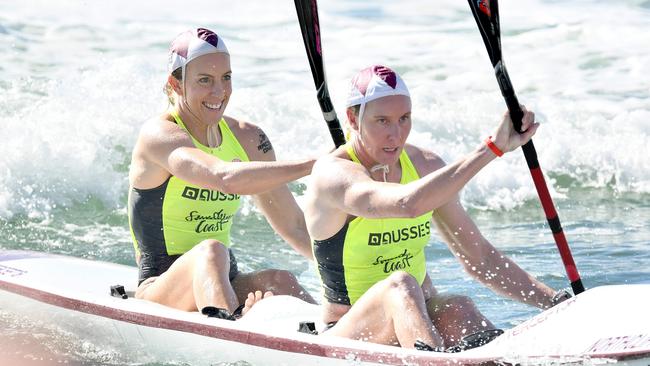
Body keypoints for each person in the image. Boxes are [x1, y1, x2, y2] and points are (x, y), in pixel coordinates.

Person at [304, 65, 569, 350]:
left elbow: (480, 258)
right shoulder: (333, 174)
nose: (396, 134)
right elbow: (406, 204)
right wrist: (492, 149)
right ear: (353, 119)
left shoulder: (425, 166)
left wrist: (557, 302)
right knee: (401, 286)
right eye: (382, 121)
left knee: (458, 305)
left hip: (416, 321)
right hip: (347, 334)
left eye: (404, 118)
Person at [127, 27, 315, 319]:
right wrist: (312, 165)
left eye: (226, 78)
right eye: (205, 80)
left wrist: (347, 276)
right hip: (160, 287)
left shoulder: (249, 139)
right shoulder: (160, 135)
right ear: (176, 84)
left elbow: (295, 226)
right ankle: (238, 333)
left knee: (282, 281)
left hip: (223, 276)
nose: (219, 92)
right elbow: (223, 178)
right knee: (212, 250)